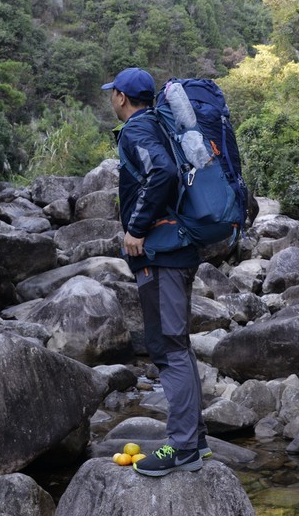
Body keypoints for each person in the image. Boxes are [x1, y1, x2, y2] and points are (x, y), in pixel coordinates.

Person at [102, 67, 211, 476]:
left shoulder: (137, 130)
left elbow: (161, 172)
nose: (111, 99)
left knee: (168, 346)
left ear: (122, 98)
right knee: (176, 344)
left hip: (163, 254)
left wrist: (136, 228)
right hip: (176, 249)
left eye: (112, 93)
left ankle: (182, 448)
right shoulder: (160, 125)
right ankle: (194, 441)